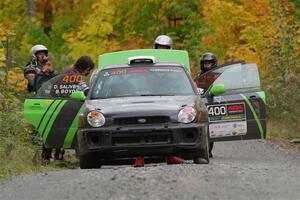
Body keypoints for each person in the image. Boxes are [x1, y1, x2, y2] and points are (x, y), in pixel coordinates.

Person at [134, 35, 184, 167]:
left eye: (165, 48)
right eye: (159, 48)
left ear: (170, 49)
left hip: (169, 98)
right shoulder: (148, 64)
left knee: (167, 126)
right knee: (143, 126)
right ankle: (139, 157)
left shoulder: (174, 65)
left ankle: (170, 156)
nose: (161, 50)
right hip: (148, 98)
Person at [195, 52, 218, 158]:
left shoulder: (217, 75)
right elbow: (195, 86)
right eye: (205, 63)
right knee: (203, 125)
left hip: (214, 100)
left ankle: (209, 149)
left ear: (213, 64)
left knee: (212, 125)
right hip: (202, 100)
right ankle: (201, 147)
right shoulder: (200, 75)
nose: (207, 65)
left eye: (209, 63)